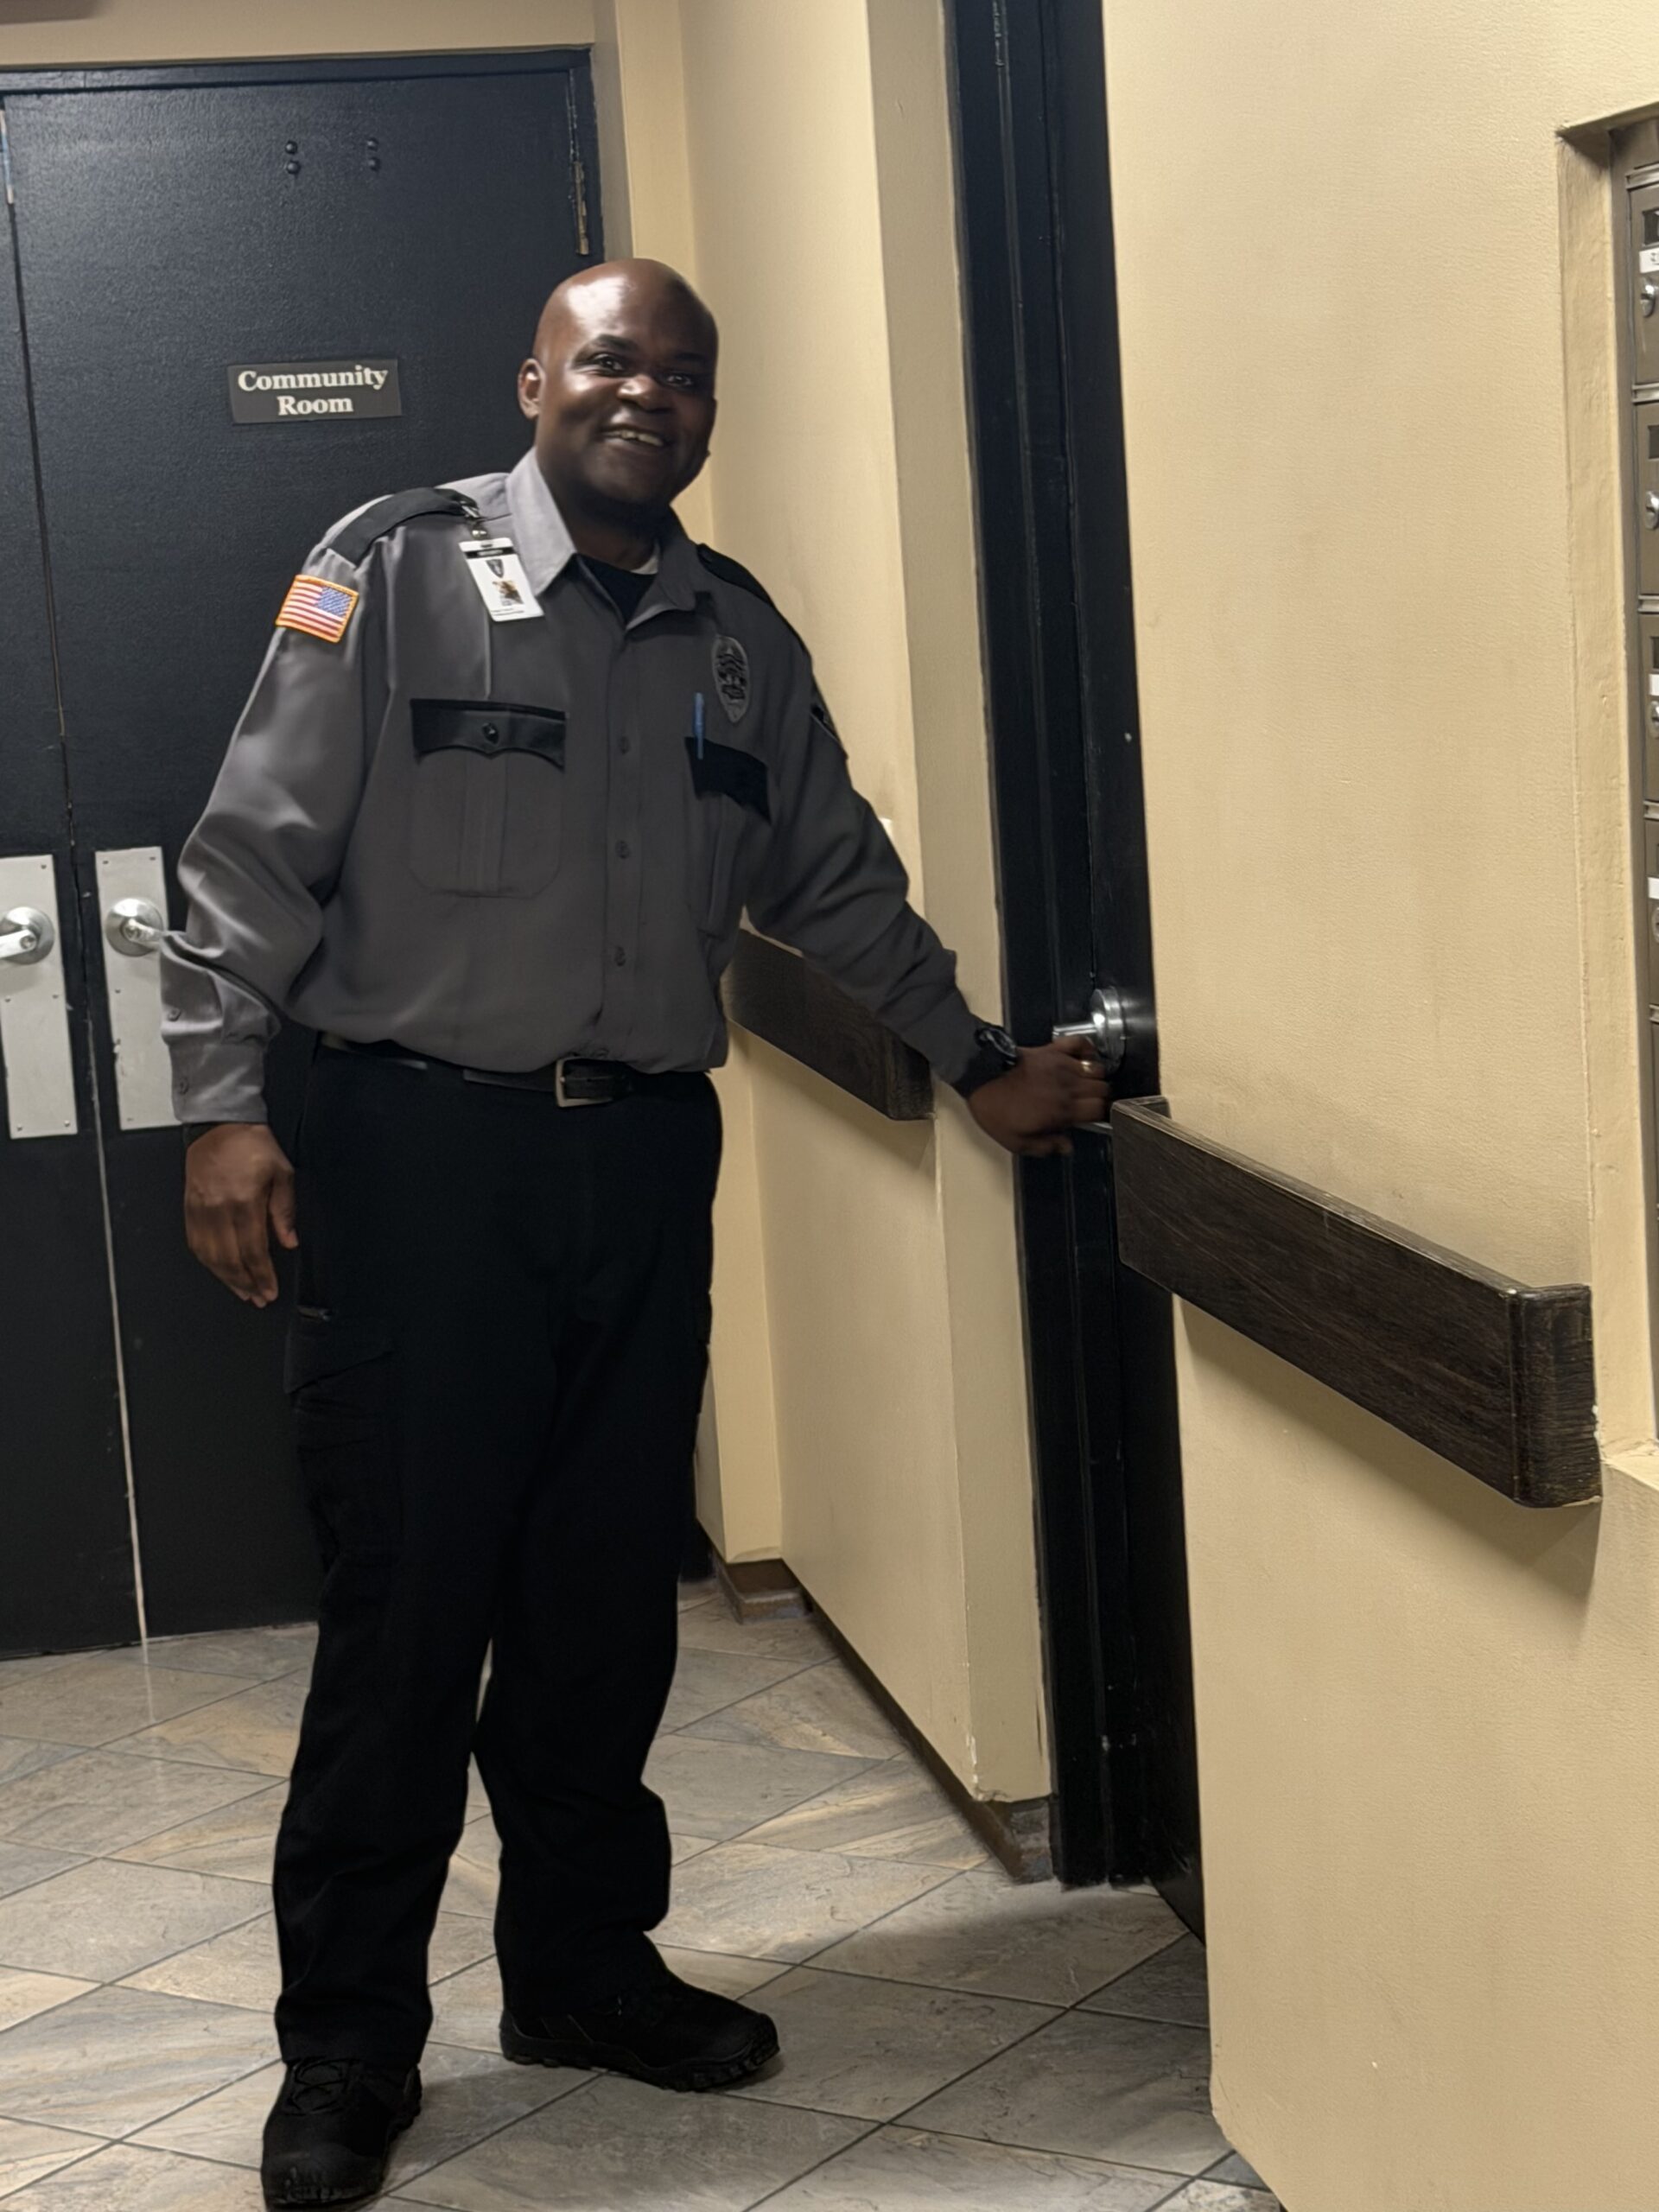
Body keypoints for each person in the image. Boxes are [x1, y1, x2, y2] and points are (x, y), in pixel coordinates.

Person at [162, 258, 1109, 2209]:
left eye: (684, 372)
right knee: (410, 1615)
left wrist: (977, 1057)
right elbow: (253, 849)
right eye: (611, 359)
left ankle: (583, 1974)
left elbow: (834, 878)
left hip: (637, 1170)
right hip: (413, 1159)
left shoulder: (737, 642)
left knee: (599, 1604)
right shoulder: (394, 568)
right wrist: (222, 1106)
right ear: (535, 378)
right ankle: (347, 2043)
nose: (646, 394)